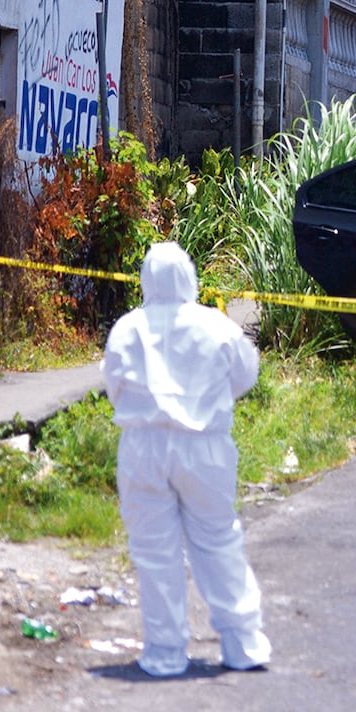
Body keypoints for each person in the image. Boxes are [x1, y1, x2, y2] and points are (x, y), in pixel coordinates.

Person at [102, 241, 272, 677]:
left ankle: (164, 652)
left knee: (154, 551)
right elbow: (244, 375)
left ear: (145, 279)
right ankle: (244, 644)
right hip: (205, 446)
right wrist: (204, 403)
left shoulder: (128, 327)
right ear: (190, 277)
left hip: (143, 444)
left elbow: (114, 384)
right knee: (218, 540)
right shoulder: (216, 326)